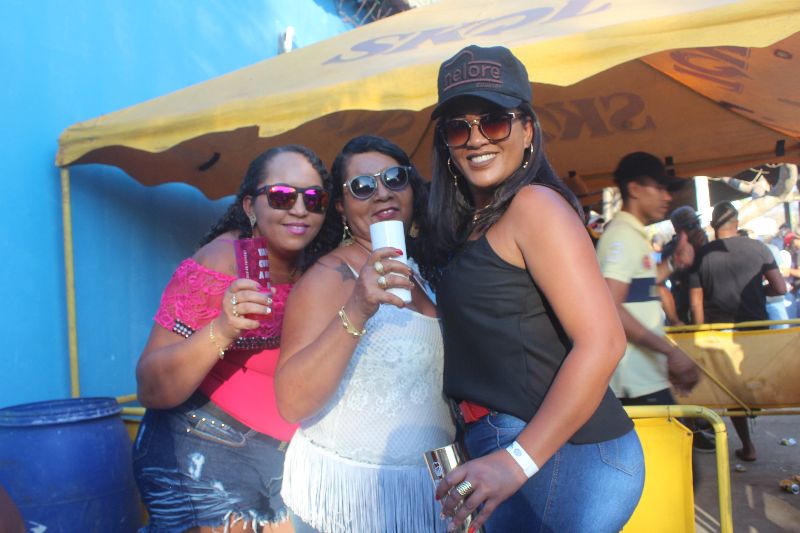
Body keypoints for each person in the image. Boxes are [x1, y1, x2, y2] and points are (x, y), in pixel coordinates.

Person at [425, 45, 644, 532]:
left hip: (562, 454)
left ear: (527, 130)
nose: (476, 138)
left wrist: (517, 460)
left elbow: (604, 342)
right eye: (458, 128)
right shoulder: (478, 223)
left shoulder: (534, 206)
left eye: (494, 121)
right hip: (518, 445)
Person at [133, 145, 338, 533]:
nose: (300, 209)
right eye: (281, 196)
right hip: (204, 454)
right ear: (249, 206)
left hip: (279, 463)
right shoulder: (222, 262)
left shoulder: (316, 265)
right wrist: (224, 328)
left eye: (314, 199)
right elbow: (150, 385)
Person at [274, 135, 455, 533]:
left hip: (429, 494)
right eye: (362, 186)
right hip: (351, 502)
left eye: (394, 178)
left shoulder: (424, 270)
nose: (382, 193)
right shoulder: (329, 276)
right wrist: (358, 306)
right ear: (341, 205)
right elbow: (291, 401)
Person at [689, 201, 786, 462]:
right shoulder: (759, 248)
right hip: (756, 333)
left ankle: (748, 446)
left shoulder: (703, 255)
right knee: (762, 384)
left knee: (733, 392)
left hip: (721, 335)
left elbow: (696, 302)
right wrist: (758, 293)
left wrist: (699, 336)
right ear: (738, 223)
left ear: (713, 225)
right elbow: (780, 288)